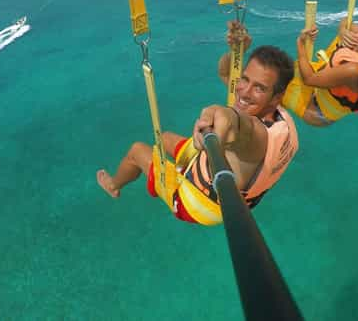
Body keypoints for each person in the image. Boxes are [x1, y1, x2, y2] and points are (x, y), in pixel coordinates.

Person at [96, 28, 298, 226]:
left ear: (276, 97)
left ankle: (114, 185)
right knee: (164, 138)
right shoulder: (278, 116)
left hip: (201, 204)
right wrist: (237, 53)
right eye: (245, 79)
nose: (244, 92)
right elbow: (224, 72)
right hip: (216, 173)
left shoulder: (257, 136)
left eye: (259, 88)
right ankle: (180, 169)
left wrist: (216, 112)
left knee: (136, 150)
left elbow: (239, 125)